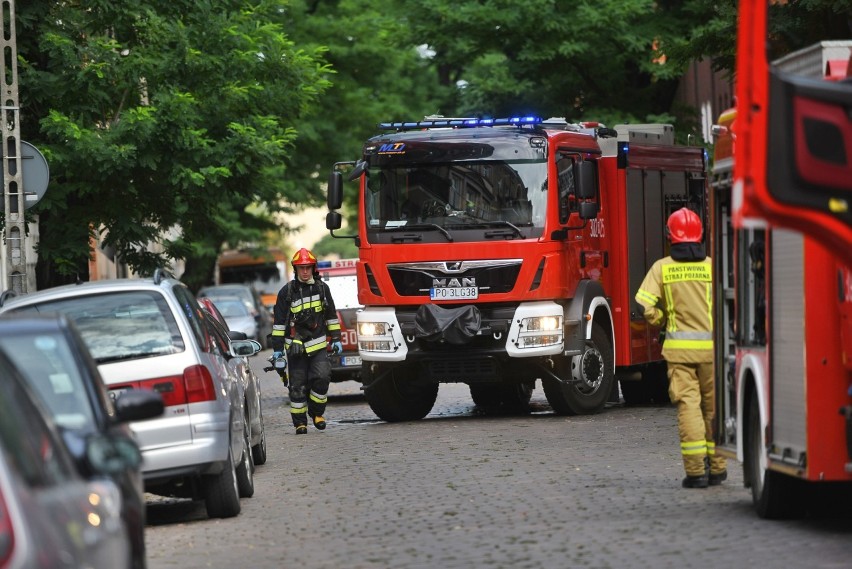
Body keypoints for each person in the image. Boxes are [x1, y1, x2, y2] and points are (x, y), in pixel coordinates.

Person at [635, 207, 727, 488]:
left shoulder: (662, 267)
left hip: (679, 354)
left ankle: (696, 473)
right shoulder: (713, 265)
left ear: (670, 236)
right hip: (712, 351)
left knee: (689, 406)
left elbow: (644, 302)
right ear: (699, 235)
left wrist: (662, 319)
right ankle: (719, 469)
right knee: (713, 409)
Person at [271, 248, 343, 435]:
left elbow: (331, 316)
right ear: (295, 269)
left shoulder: (322, 289)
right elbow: (279, 325)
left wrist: (336, 338)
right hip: (295, 349)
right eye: (301, 268)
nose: (305, 271)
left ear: (313, 268)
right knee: (297, 386)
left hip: (318, 344)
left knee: (322, 377)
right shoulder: (286, 292)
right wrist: (278, 350)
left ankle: (317, 413)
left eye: (308, 267)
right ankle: (300, 423)